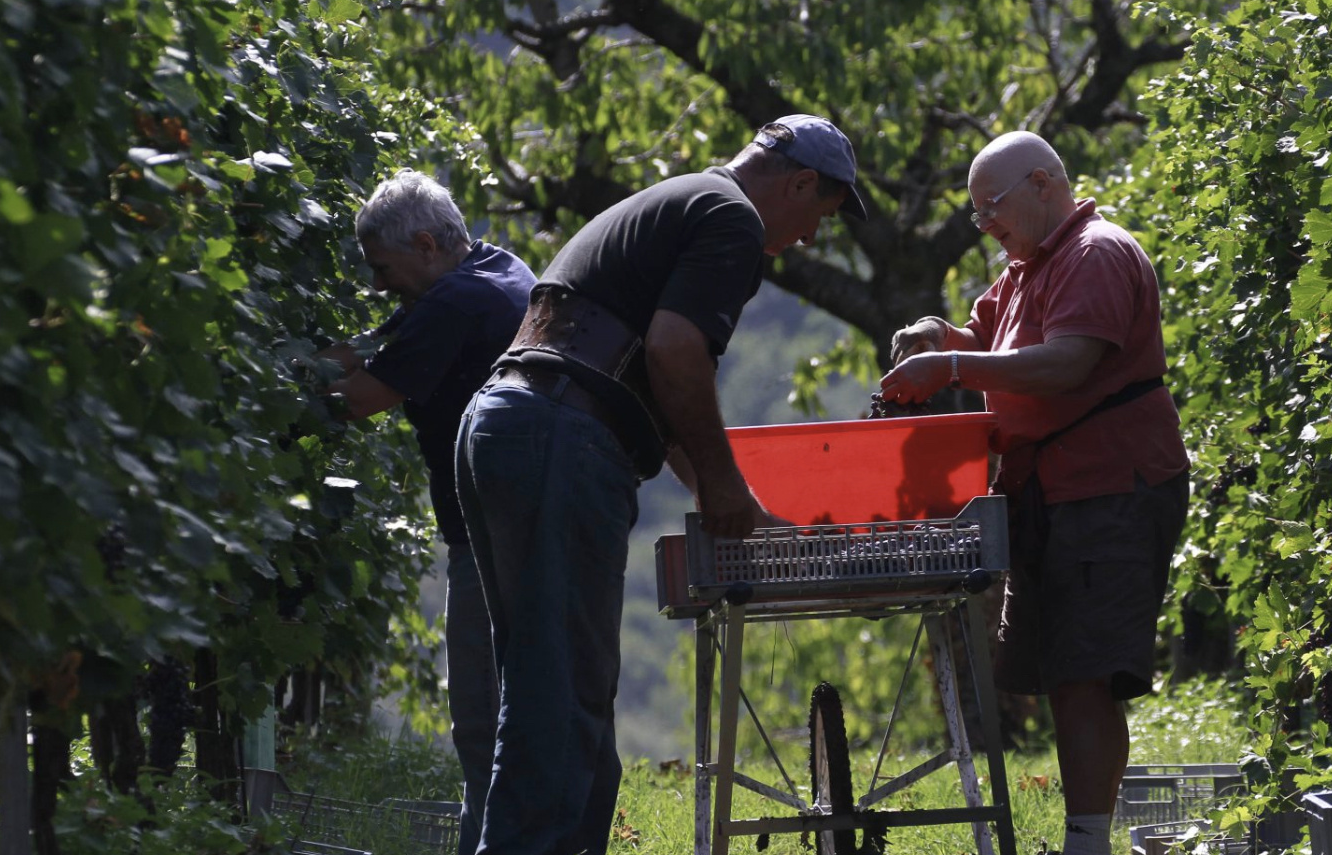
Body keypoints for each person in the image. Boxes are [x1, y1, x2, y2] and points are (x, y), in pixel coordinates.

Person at [454, 115, 868, 855]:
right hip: (558, 433)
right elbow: (679, 355)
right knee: (560, 695)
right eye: (818, 217)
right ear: (801, 182)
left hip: (505, 418)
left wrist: (726, 493)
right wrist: (720, 487)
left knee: (544, 682)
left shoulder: (680, 199)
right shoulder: (732, 218)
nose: (808, 238)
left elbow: (654, 380)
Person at [879, 131, 1188, 855]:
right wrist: (936, 336)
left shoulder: (1096, 253)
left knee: (1084, 677)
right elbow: (981, 335)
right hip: (1050, 493)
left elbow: (1063, 365)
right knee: (1060, 674)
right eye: (975, 215)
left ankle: (1086, 847)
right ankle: (1087, 839)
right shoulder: (1026, 267)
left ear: (1045, 185)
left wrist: (951, 367)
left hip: (1107, 486)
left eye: (992, 207)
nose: (985, 225)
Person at [315, 170, 536, 855]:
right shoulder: (498, 268)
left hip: (489, 533)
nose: (380, 285)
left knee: (479, 716)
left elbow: (358, 398)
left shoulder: (453, 305)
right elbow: (393, 330)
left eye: (384, 269)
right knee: (530, 705)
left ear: (426, 244)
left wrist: (273, 396)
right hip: (532, 515)